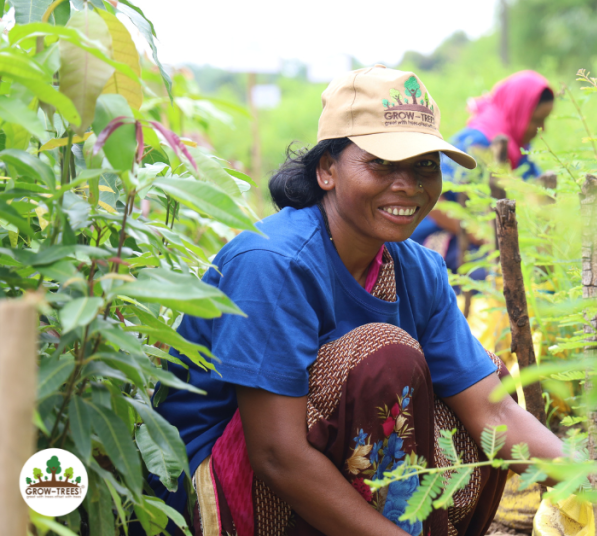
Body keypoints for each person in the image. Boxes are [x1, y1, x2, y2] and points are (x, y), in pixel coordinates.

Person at [148, 66, 563, 536]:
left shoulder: (418, 270)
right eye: (382, 163)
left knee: (474, 393)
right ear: (327, 169)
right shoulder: (274, 264)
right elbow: (275, 455)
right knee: (385, 357)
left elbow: (494, 413)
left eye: (425, 164)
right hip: (213, 494)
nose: (408, 184)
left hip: (306, 472)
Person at [410, 70, 554, 272]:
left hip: (488, 240)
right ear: (517, 112)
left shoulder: (517, 149)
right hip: (442, 233)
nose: (542, 129)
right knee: (487, 277)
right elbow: (431, 200)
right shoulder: (475, 144)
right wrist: (482, 236)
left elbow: (535, 188)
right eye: (537, 120)